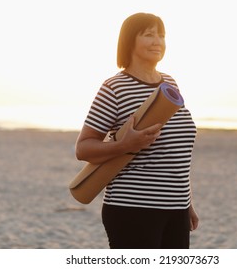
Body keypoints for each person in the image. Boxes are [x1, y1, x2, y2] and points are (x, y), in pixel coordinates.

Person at [75, 12, 199, 249]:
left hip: (177, 208)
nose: (157, 41)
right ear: (130, 40)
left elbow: (177, 152)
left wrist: (187, 203)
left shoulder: (169, 84)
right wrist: (125, 145)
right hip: (133, 208)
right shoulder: (114, 88)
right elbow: (83, 149)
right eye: (149, 35)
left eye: (161, 35)